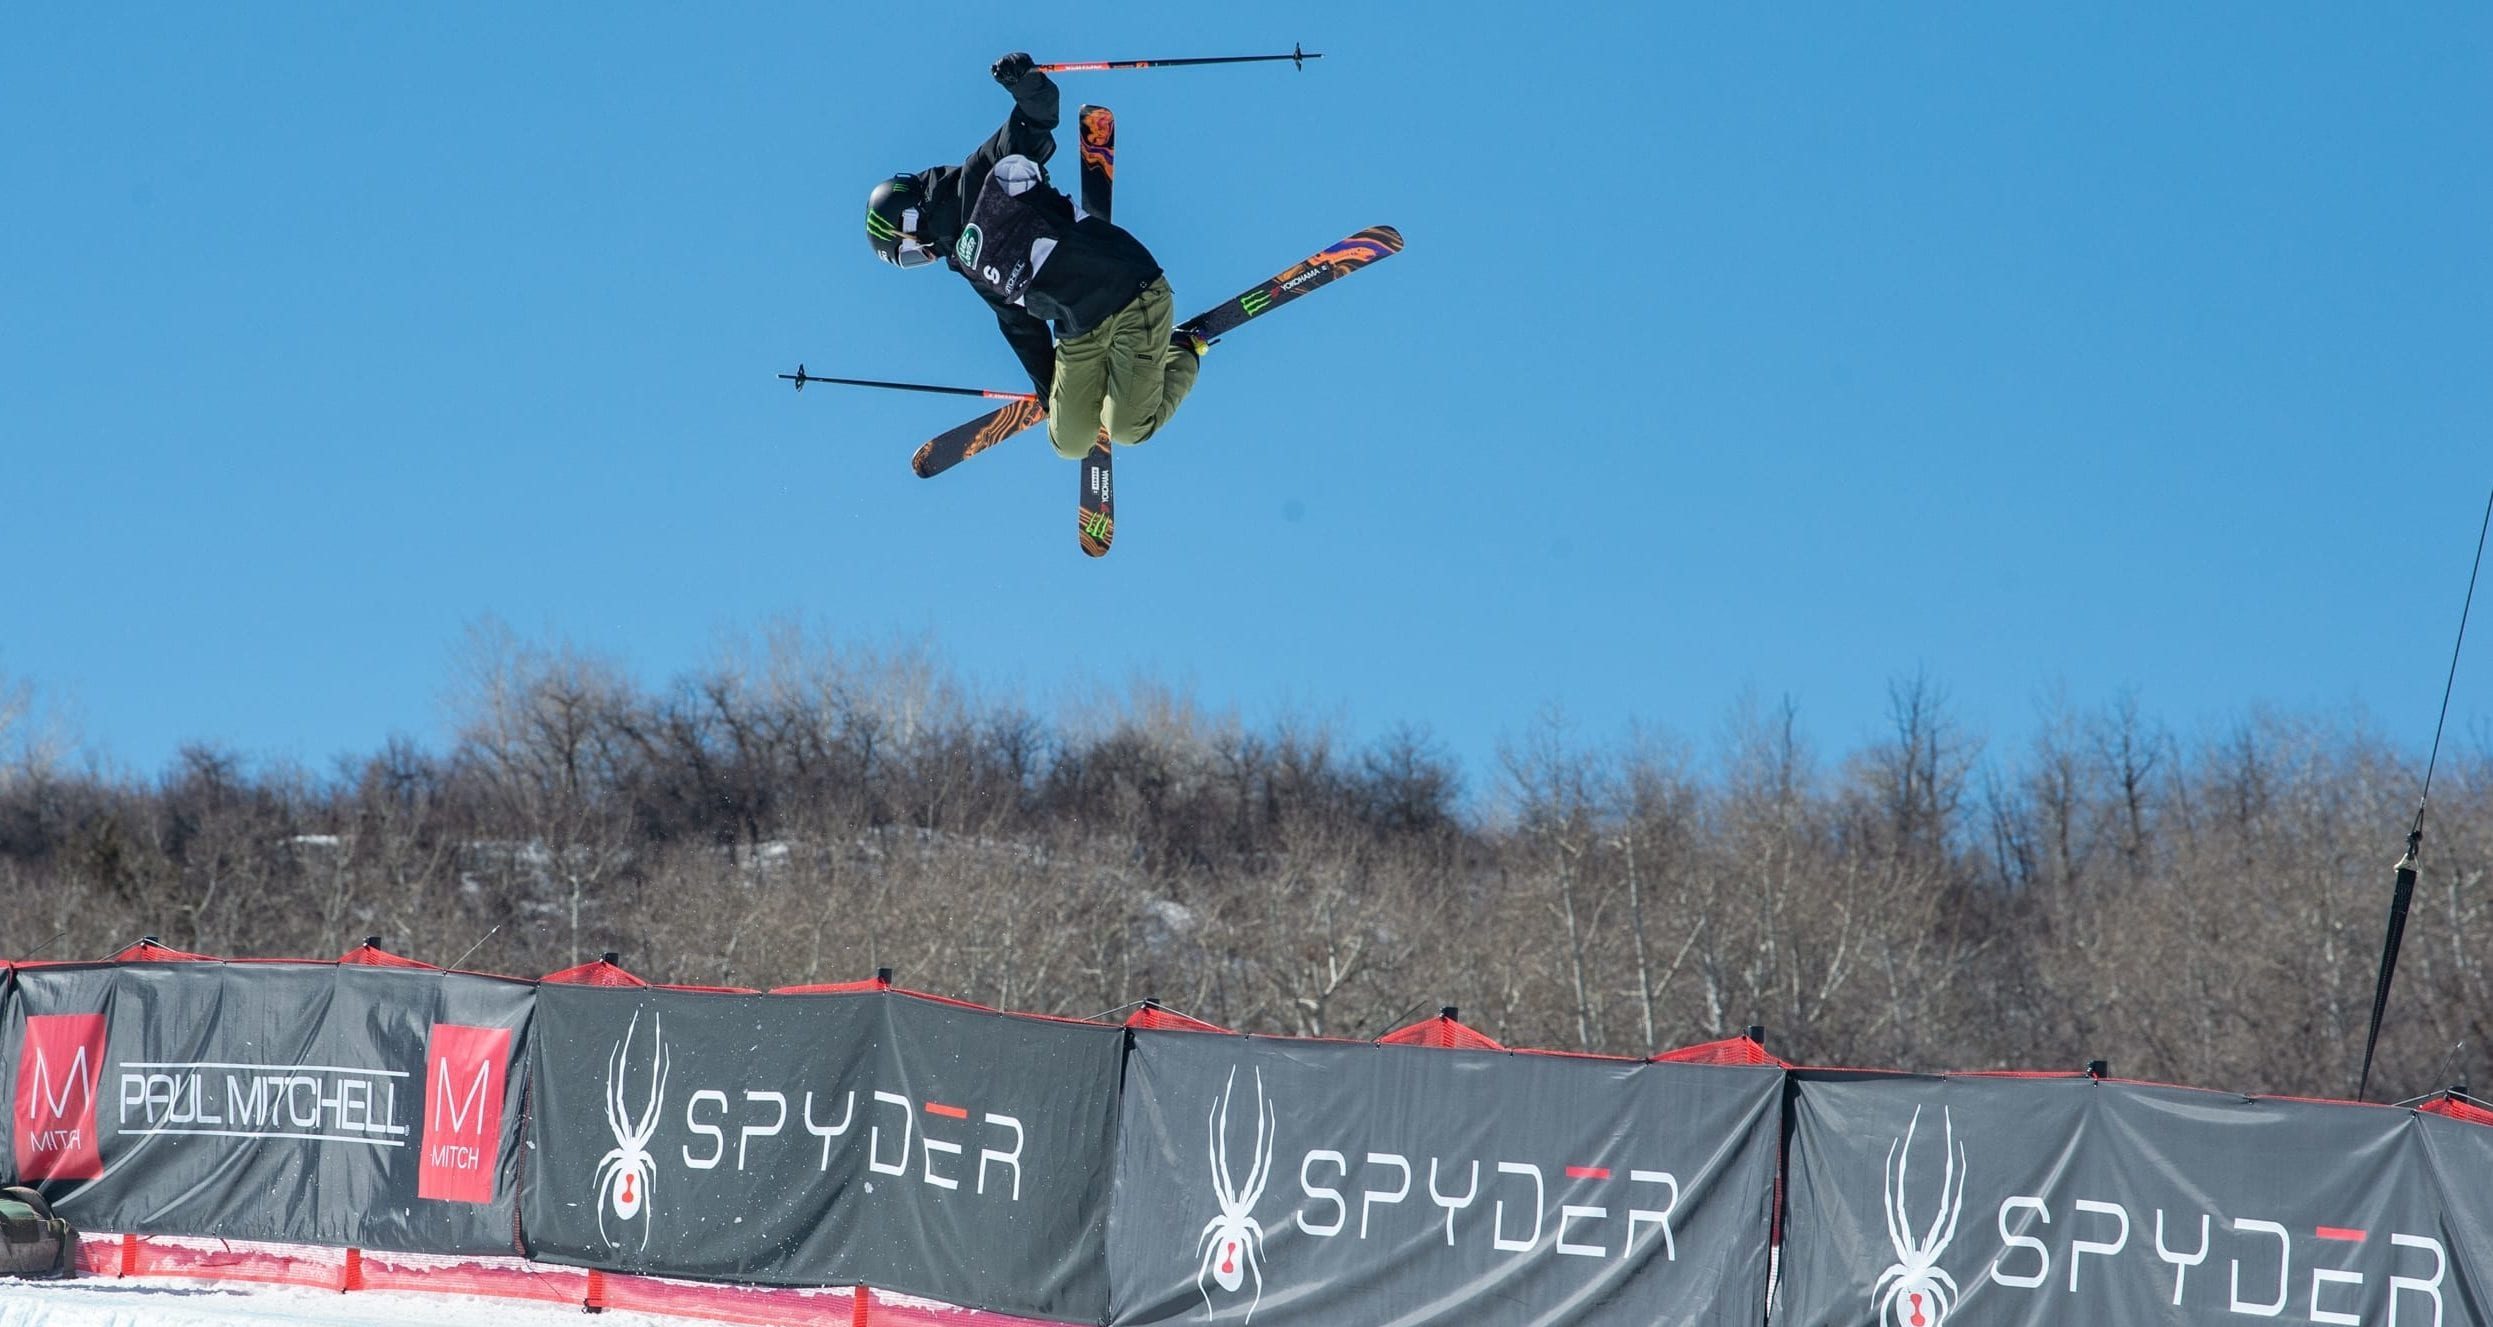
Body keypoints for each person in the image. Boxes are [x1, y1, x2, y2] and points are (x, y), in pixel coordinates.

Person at [866, 52, 1202, 461]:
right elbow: (1018, 323)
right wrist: (1051, 395)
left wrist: (1025, 81)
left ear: (911, 215)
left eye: (910, 252)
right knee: (1070, 443)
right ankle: (1093, 391)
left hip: (1131, 295)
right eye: (911, 262)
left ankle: (1181, 349)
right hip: (1078, 330)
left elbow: (1038, 116)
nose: (924, 257)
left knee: (1128, 430)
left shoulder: (986, 173)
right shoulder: (965, 263)